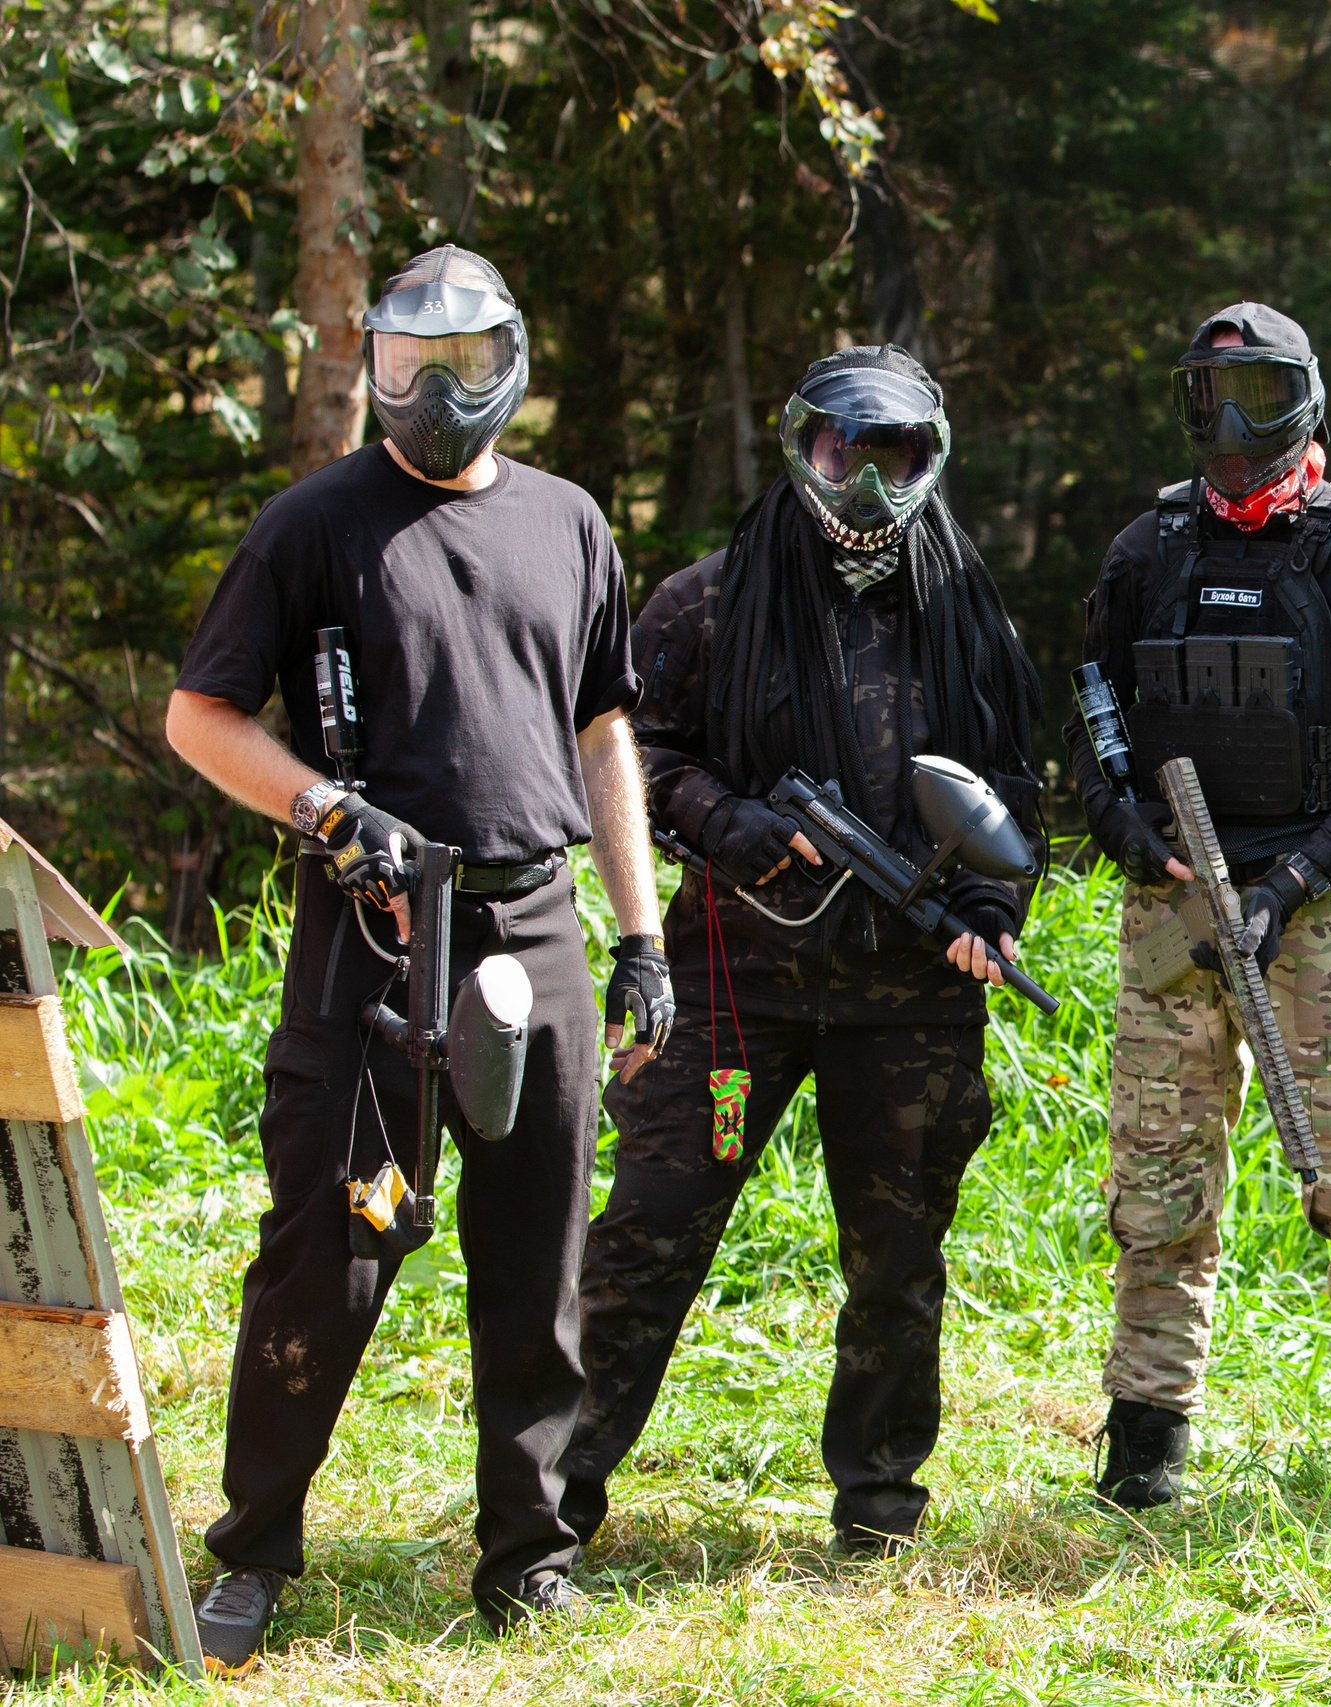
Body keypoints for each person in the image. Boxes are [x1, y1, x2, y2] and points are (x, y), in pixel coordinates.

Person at [163, 245, 674, 1663]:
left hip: (537, 920)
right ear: (373, 364)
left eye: (462, 365)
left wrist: (639, 933)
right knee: (330, 1250)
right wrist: (327, 810)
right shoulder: (312, 524)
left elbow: (603, 731)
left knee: (539, 1255)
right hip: (375, 932)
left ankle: (529, 1558)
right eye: (406, 364)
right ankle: (253, 1550)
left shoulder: (570, 522)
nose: (435, 393)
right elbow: (200, 717)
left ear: (511, 361)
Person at [560, 347, 1043, 1557]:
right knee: (649, 1233)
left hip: (911, 999)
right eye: (843, 456)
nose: (867, 487)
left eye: (897, 460)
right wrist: (730, 824)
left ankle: (877, 1509)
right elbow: (626, 753)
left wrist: (991, 912)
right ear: (801, 450)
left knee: (898, 1262)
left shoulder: (965, 607)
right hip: (734, 983)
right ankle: (551, 1498)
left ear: (932, 462)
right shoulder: (706, 603)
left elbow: (1011, 791)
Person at [1065, 303, 1331, 1504]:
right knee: (1156, 1181)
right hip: (1174, 901)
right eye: (1211, 399)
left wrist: (1297, 877)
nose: (1234, 429)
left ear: (1308, 400)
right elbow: (1091, 725)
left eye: (1261, 397)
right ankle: (1144, 1446)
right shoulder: (1148, 551)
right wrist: (1134, 842)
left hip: (1318, 908)